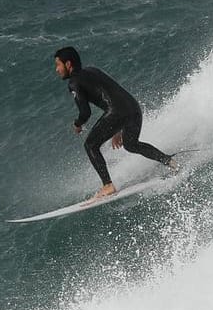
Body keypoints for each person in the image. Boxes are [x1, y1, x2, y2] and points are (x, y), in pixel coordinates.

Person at [53, 46, 175, 199]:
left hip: (117, 112)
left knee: (90, 145)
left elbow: (85, 112)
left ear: (68, 64)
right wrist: (117, 128)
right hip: (133, 107)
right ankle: (170, 161)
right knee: (131, 144)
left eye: (58, 65)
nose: (57, 69)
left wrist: (78, 124)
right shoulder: (93, 70)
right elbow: (114, 95)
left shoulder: (74, 82)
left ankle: (107, 185)